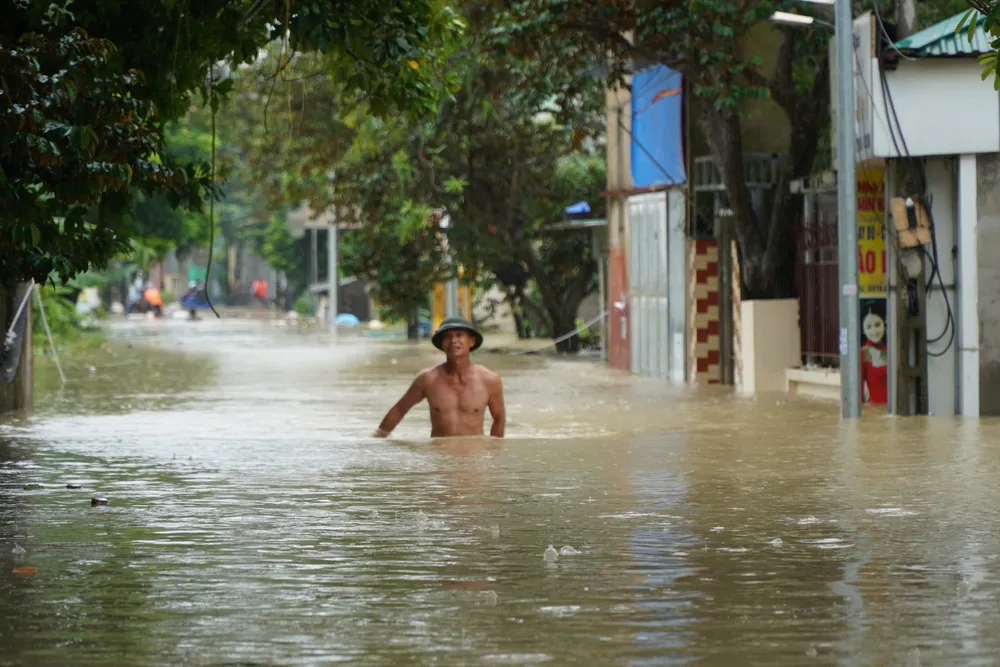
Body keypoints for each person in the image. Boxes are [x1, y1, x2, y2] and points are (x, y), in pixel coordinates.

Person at [372, 316, 506, 439]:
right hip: (439, 456)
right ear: (442, 343)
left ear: (471, 341)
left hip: (473, 456)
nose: (453, 341)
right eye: (447, 337)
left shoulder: (489, 380)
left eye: (459, 335)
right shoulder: (428, 379)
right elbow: (400, 409)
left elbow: (499, 418)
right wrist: (378, 438)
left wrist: (493, 454)